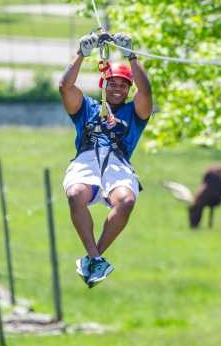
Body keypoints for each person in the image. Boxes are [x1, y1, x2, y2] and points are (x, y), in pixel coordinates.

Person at [59, 32, 153, 288]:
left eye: (123, 85)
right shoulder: (88, 108)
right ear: (103, 84)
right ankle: (95, 257)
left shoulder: (135, 112)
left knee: (126, 201)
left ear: (128, 90)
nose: (117, 88)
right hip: (87, 160)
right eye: (112, 83)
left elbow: (146, 90)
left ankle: (94, 257)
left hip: (118, 164)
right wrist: (80, 54)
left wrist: (131, 55)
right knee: (75, 194)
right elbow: (65, 87)